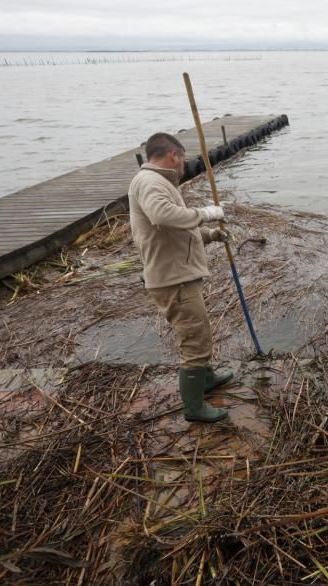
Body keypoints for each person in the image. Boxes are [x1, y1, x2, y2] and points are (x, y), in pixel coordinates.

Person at [129, 132, 234, 423]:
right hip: (172, 280)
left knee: (199, 329)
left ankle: (207, 378)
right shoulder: (151, 182)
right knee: (195, 338)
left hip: (178, 274)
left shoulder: (159, 182)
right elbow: (164, 216)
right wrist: (206, 213)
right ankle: (194, 408)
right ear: (173, 155)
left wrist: (211, 235)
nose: (185, 165)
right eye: (183, 158)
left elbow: (177, 230)